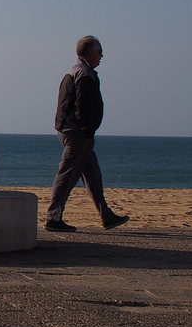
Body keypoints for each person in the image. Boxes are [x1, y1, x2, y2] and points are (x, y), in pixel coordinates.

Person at [44, 36, 129, 233]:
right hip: (78, 133)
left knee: (92, 175)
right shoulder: (84, 74)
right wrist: (86, 130)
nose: (102, 56)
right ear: (89, 53)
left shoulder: (73, 72)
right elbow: (83, 106)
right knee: (68, 174)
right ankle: (53, 217)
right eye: (99, 51)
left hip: (72, 131)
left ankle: (106, 215)